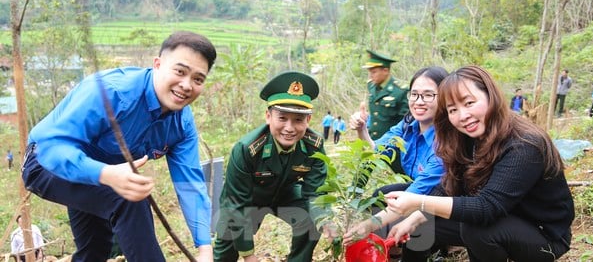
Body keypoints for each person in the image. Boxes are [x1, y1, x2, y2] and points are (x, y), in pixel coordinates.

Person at [21, 31, 217, 262]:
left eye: (198, 79)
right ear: (157, 64)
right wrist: (105, 173)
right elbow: (50, 146)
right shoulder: (111, 92)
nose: (186, 85)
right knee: (130, 199)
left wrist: (205, 248)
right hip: (46, 163)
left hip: (104, 177)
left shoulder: (181, 123)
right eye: (180, 72)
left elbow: (190, 184)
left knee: (94, 250)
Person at [351, 65, 574, 262]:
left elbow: (488, 207)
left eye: (469, 103)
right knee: (422, 223)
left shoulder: (523, 144)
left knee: (477, 229)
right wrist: (409, 219)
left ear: (491, 96)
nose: (463, 115)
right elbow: (449, 185)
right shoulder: (466, 137)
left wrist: (418, 202)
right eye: (453, 110)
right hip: (502, 217)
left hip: (543, 234)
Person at [213, 71, 327, 262]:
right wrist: (248, 255)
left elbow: (315, 192)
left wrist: (326, 219)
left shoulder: (313, 145)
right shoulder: (247, 149)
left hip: (285, 193)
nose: (289, 128)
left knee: (311, 216)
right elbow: (236, 204)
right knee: (227, 245)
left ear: (308, 120)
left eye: (298, 120)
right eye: (282, 118)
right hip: (246, 199)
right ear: (268, 116)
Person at [346, 67, 448, 259]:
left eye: (428, 95)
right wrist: (362, 130)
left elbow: (416, 195)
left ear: (445, 98)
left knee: (417, 219)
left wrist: (369, 225)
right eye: (415, 94)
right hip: (421, 191)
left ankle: (423, 253)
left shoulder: (446, 142)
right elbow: (378, 151)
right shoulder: (408, 124)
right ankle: (387, 251)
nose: (419, 101)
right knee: (381, 196)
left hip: (447, 199)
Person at [362, 50, 409, 140]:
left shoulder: (400, 91)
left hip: (392, 142)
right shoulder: (371, 86)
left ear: (385, 71)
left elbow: (406, 122)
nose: (370, 76)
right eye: (370, 72)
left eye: (374, 72)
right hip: (372, 140)